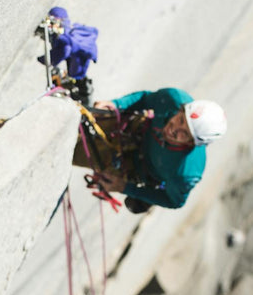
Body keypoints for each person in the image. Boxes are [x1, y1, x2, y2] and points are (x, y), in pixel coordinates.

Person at [74, 88, 227, 212]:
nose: (174, 129)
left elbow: (173, 201)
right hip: (133, 130)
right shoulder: (172, 99)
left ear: (193, 143)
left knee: (75, 153)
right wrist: (116, 104)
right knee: (82, 118)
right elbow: (146, 98)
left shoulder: (186, 172)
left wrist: (125, 187)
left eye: (184, 133)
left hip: (134, 166)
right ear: (182, 109)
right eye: (181, 120)